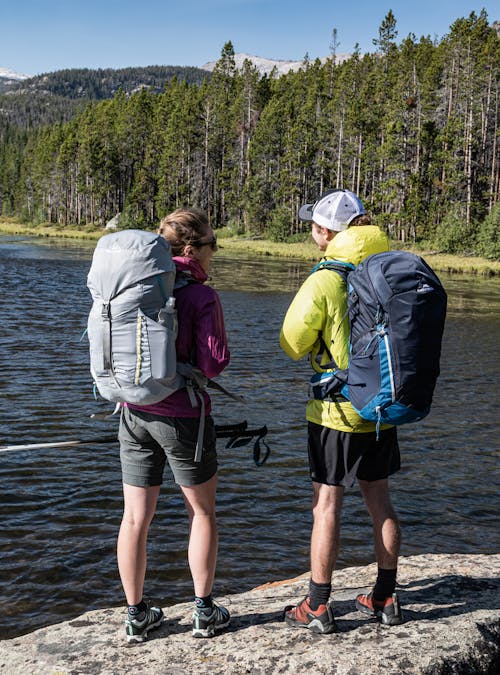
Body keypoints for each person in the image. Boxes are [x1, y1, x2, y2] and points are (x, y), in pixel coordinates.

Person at [279, 189, 403, 634]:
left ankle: (317, 604)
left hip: (335, 414)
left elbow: (291, 342)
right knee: (380, 501)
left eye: (314, 226)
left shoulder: (325, 278)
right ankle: (385, 598)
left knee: (326, 506)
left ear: (324, 232)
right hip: (382, 408)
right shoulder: (385, 269)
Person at [117, 207, 231, 642]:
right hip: (183, 416)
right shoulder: (202, 296)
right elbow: (214, 363)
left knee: (134, 519)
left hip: (133, 411)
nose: (213, 253)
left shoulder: (137, 286)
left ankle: (136, 615)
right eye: (210, 246)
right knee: (201, 512)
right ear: (190, 250)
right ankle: (203, 611)